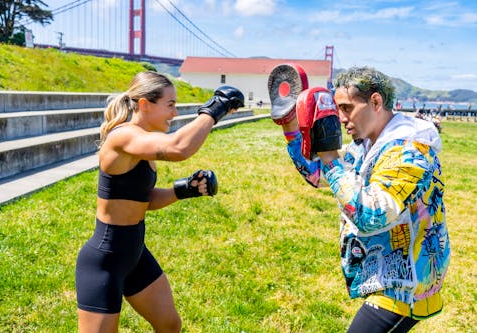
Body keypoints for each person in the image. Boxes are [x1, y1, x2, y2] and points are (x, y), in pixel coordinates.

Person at [272, 66, 450, 332]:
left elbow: (370, 215)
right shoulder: (365, 145)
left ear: (376, 102)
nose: (341, 118)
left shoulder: (411, 152)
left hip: (405, 284)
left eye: (347, 108)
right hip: (384, 273)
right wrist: (290, 126)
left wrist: (331, 158)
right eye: (337, 109)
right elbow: (319, 174)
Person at [75, 71, 244, 333]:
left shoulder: (142, 142)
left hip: (134, 254)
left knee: (169, 325)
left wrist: (183, 190)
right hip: (105, 260)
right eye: (170, 105)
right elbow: (178, 148)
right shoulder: (123, 137)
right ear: (144, 105)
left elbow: (143, 200)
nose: (174, 113)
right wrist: (216, 108)